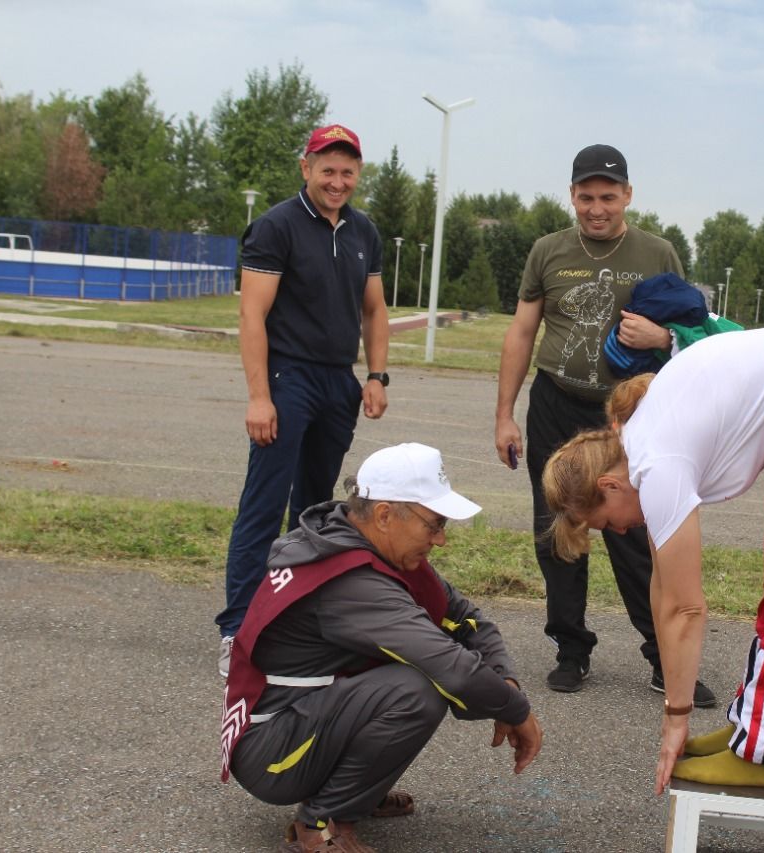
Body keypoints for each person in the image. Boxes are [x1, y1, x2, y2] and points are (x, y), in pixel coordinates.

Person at [541, 327, 764, 794]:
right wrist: (675, 706)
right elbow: (663, 589)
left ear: (609, 486)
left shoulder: (657, 464)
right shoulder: (634, 443)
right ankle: (751, 728)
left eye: (607, 523)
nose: (621, 531)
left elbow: (686, 609)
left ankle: (759, 751)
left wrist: (677, 718)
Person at [220, 443, 543, 853]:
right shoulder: (352, 582)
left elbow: (468, 620)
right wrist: (516, 710)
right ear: (385, 515)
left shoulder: (358, 547)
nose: (441, 539)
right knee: (417, 689)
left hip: (299, 723)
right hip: (273, 754)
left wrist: (506, 681)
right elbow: (454, 668)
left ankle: (352, 797)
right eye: (434, 523)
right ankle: (317, 825)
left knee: (414, 680)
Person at [494, 143, 715, 707]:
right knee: (561, 524)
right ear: (572, 195)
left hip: (626, 411)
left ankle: (663, 656)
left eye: (608, 197)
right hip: (555, 402)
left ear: (627, 196)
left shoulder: (658, 251)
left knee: (635, 531)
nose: (597, 208)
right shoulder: (548, 251)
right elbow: (522, 333)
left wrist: (663, 340)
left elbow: (692, 326)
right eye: (586, 196)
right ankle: (571, 650)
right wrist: (504, 415)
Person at [216, 124, 391, 676]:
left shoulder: (364, 230)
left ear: (357, 173)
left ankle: (296, 617)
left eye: (347, 171)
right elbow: (252, 314)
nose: (337, 181)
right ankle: (238, 631)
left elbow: (374, 310)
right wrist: (259, 396)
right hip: (287, 380)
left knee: (316, 510)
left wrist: (377, 376)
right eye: (327, 170)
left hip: (337, 382)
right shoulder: (275, 226)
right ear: (306, 168)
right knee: (263, 507)